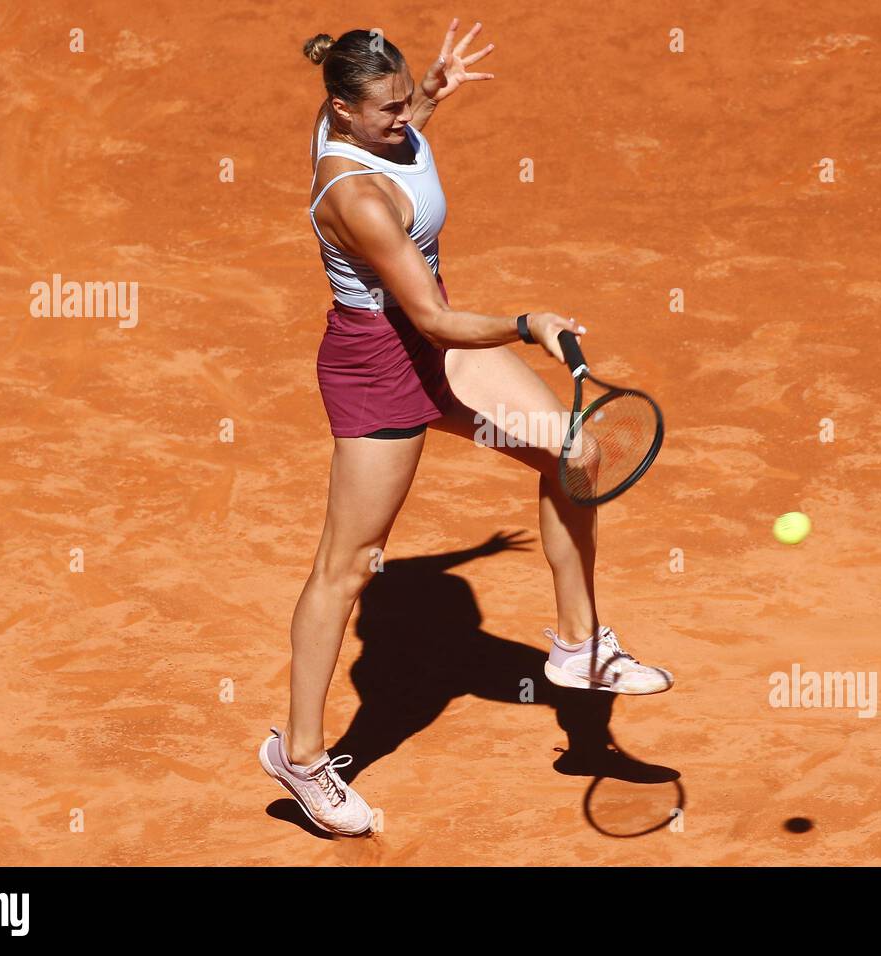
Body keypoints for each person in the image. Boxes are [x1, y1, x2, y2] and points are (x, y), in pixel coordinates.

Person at [258, 20, 674, 837]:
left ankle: (579, 647)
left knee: (574, 451)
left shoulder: (384, 121)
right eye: (387, 111)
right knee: (344, 569)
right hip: (383, 365)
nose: (403, 119)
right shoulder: (354, 198)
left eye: (407, 99)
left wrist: (433, 95)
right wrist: (530, 323)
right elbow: (437, 321)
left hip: (433, 342)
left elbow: (405, 136)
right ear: (340, 113)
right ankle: (301, 759)